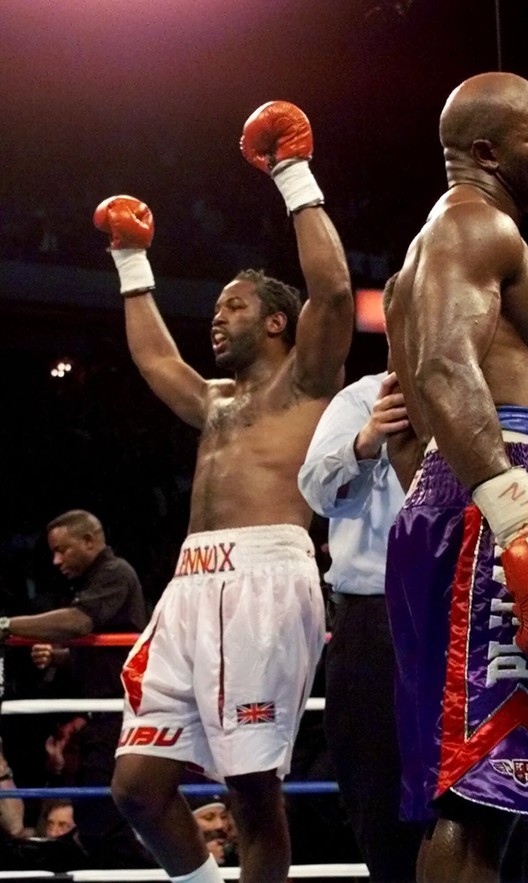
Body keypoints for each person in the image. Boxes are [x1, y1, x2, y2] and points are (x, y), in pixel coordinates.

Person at [94, 100, 355, 883]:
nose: (217, 319)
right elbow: (152, 360)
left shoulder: (307, 382)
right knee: (136, 787)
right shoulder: (215, 402)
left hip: (267, 577)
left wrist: (291, 172)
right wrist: (131, 259)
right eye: (213, 310)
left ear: (278, 323)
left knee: (251, 792)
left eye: (233, 307)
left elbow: (335, 290)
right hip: (189, 584)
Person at [382, 71, 528, 883]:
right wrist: (519, 523)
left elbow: (406, 422)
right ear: (485, 150)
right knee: (478, 796)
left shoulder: (433, 250)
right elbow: (444, 372)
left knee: (505, 789)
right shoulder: (474, 225)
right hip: (499, 502)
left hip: (467, 498)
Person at [298, 364, 424, 882]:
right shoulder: (362, 397)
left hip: (466, 612)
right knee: (374, 785)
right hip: (376, 616)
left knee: (474, 791)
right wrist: (367, 440)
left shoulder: (488, 392)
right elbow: (315, 490)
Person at [0, 509, 150, 868]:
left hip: (119, 715)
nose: (56, 560)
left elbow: (78, 622)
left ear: (89, 541)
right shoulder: (92, 582)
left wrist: (6, 625)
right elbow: (107, 655)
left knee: (103, 825)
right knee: (95, 820)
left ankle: (156, 876)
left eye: (62, 550)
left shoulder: (114, 573)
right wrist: (62, 659)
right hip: (102, 715)